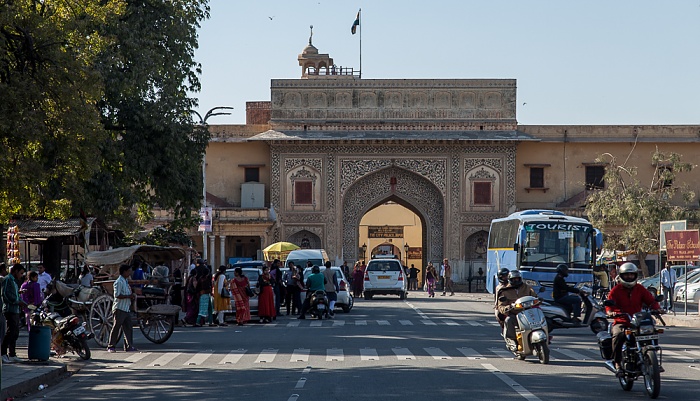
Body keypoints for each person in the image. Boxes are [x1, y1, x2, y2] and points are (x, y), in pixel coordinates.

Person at [606, 262, 661, 376]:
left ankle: (653, 359)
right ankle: (617, 363)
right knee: (618, 335)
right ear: (621, 276)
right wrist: (611, 312)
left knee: (652, 330)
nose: (629, 277)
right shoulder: (616, 290)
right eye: (627, 275)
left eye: (631, 275)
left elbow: (651, 301)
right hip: (622, 321)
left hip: (638, 321)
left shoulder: (640, 289)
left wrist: (657, 309)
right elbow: (609, 305)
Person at [497, 270, 537, 343]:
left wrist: (538, 300)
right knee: (509, 320)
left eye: (517, 279)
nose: (516, 280)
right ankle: (512, 340)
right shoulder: (504, 290)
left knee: (543, 316)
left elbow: (534, 296)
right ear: (510, 280)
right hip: (514, 314)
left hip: (528, 312)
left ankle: (545, 335)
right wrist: (508, 308)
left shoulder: (527, 287)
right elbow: (501, 306)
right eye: (514, 279)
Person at [107, 264, 137, 353]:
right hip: (119, 308)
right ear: (124, 272)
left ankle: (129, 346)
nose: (130, 272)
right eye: (129, 271)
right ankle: (111, 346)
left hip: (126, 308)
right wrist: (129, 296)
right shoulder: (119, 282)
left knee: (128, 328)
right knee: (116, 327)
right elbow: (117, 295)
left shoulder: (125, 281)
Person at [2, 264, 28, 363]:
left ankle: (12, 354)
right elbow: (5, 294)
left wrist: (22, 301)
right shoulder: (7, 279)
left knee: (15, 333)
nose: (21, 275)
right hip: (9, 309)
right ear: (16, 271)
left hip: (16, 309)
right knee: (10, 332)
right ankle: (3, 353)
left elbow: (15, 295)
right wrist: (17, 302)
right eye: (21, 273)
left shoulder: (13, 281)